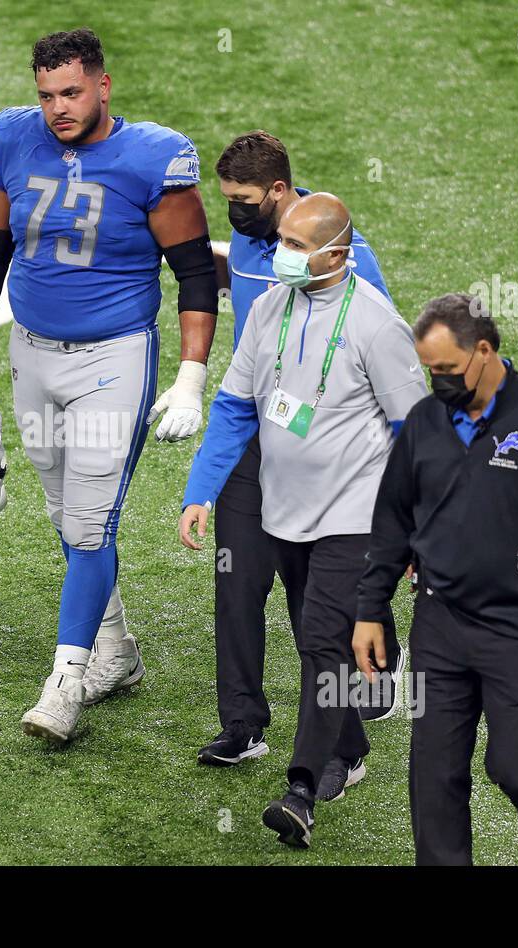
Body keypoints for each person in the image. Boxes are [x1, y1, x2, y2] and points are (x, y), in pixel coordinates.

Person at [0, 28, 218, 743]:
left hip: (112, 359)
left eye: (72, 92)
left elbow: (192, 271)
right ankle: (117, 652)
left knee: (90, 522)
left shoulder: (152, 156)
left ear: (102, 86)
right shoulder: (14, 139)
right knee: (67, 517)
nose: (58, 107)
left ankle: (66, 681)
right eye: (46, 94)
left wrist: (191, 375)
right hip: (31, 351)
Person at [180, 192, 427, 847]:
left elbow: (416, 434)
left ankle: (301, 789)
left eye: (295, 245)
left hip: (354, 513)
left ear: (338, 255)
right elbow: (235, 407)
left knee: (321, 641)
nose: (278, 254)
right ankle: (350, 747)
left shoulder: (377, 326)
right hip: (282, 508)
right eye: (281, 241)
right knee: (315, 641)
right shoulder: (267, 310)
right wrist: (200, 491)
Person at [354, 293, 518, 865]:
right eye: (428, 370)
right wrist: (370, 608)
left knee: (516, 768)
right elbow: (392, 519)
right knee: (434, 777)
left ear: (484, 351)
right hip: (440, 624)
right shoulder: (424, 422)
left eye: (446, 369)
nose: (436, 381)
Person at [199, 130, 404, 771]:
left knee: (315, 593)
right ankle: (242, 723)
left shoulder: (346, 259)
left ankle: (370, 672)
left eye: (246, 199)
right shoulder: (254, 250)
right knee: (236, 582)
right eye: (226, 197)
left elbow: (381, 361)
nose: (234, 209)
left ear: (281, 194)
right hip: (260, 434)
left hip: (332, 449)